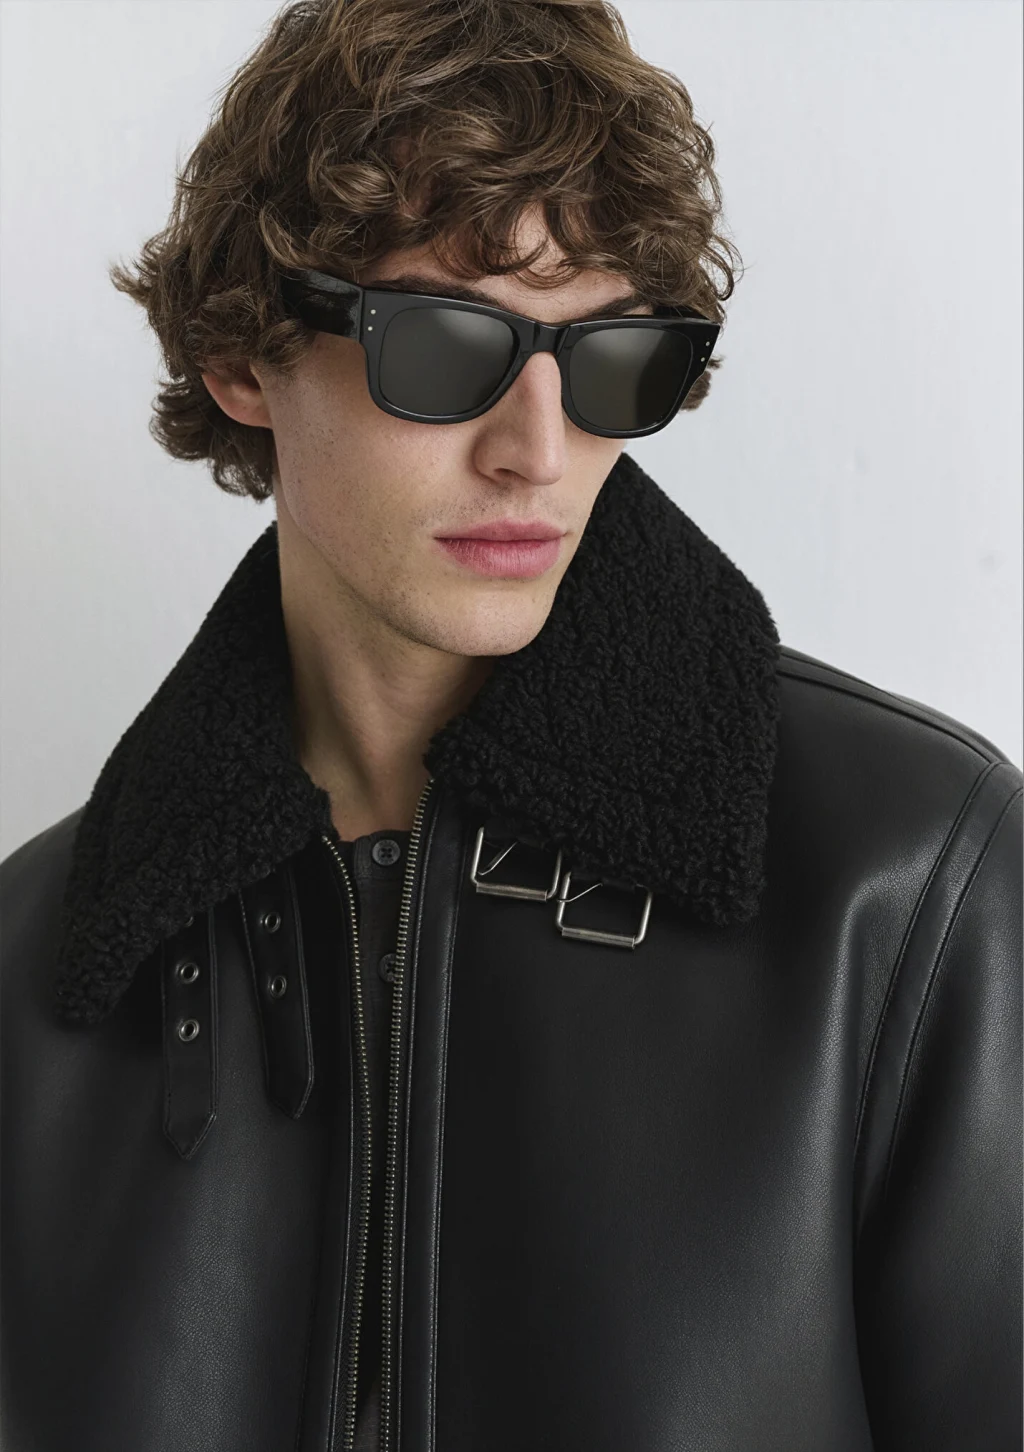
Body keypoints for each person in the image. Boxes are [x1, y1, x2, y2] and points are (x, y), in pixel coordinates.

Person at [2, 1, 1020, 1448]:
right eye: (444, 343)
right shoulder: (37, 976)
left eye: (610, 359)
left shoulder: (906, 883)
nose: (538, 450)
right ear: (242, 355)